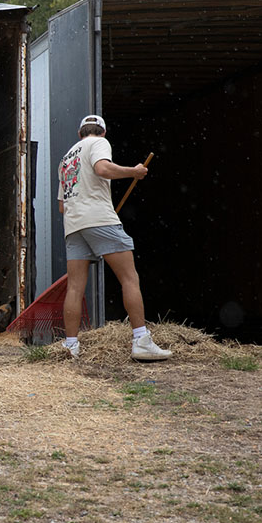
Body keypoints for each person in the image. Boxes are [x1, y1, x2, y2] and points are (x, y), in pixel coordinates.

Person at [57, 115, 170, 361]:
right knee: (129, 278)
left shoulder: (66, 159)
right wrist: (134, 172)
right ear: (103, 132)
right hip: (100, 219)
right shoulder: (98, 143)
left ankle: (71, 345)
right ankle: (141, 340)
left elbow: (62, 207)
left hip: (74, 226)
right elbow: (102, 168)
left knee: (75, 287)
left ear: (79, 133)